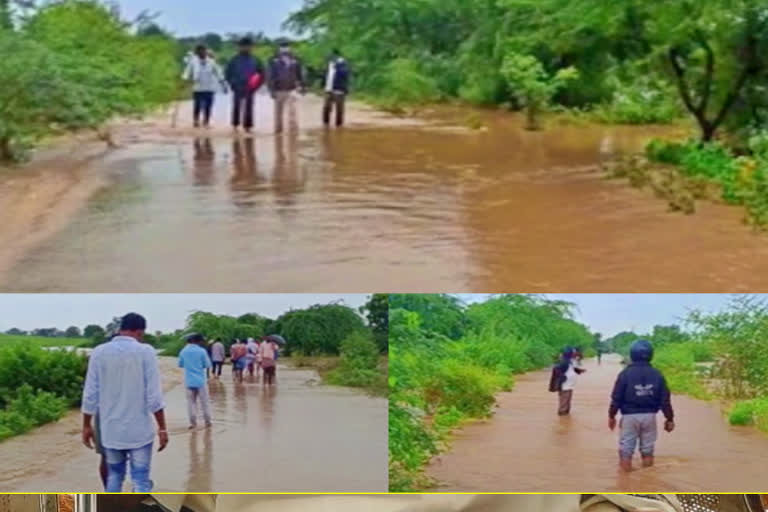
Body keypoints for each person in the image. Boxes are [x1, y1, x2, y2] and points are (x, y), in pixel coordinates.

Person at [81, 313, 168, 492]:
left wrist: (86, 425)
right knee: (141, 478)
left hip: (110, 430)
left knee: (114, 475)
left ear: (121, 329)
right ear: (140, 332)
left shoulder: (99, 352)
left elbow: (90, 394)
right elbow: (154, 396)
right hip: (139, 430)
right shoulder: (146, 352)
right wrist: (162, 428)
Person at [609, 339, 675, 472]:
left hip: (629, 417)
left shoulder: (625, 374)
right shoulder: (657, 374)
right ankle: (647, 477)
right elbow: (665, 400)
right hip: (650, 416)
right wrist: (670, 419)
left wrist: (612, 415)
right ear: (651, 354)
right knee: (648, 449)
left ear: (632, 354)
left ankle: (625, 482)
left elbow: (616, 398)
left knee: (626, 449)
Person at [183, 44, 228, 128]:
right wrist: (184, 81)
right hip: (197, 88)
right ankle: (196, 121)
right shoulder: (193, 62)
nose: (201, 53)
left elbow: (219, 73)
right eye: (199, 51)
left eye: (203, 51)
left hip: (209, 88)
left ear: (205, 51)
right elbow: (187, 72)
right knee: (197, 106)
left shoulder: (211, 62)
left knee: (208, 106)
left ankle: (206, 122)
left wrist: (223, 85)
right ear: (197, 53)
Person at [225, 37, 265, 133]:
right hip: (237, 86)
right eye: (243, 46)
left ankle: (248, 126)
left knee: (249, 107)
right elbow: (227, 73)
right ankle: (235, 126)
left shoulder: (256, 60)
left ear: (251, 47)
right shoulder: (233, 60)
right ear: (239, 47)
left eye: (248, 46)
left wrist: (256, 86)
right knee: (236, 106)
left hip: (250, 87)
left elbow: (262, 74)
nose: (246, 48)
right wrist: (232, 84)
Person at [267, 42, 306, 134]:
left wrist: (303, 86)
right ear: (279, 49)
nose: (285, 50)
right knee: (278, 114)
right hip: (278, 90)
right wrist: (271, 90)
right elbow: (270, 76)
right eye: (283, 47)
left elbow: (300, 74)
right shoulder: (273, 61)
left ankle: (294, 133)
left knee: (293, 113)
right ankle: (278, 132)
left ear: (290, 49)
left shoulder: (295, 60)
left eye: (286, 47)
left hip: (291, 90)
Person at [178, 333, 213, 429]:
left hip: (189, 381)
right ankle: (208, 422)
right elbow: (207, 364)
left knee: (191, 403)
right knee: (204, 402)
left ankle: (193, 423)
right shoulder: (202, 351)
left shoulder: (183, 351)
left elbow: (180, 364)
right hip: (201, 381)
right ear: (198, 341)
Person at [549, 347, 586, 416]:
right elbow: (556, 369)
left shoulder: (570, 361)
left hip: (569, 385)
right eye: (573, 352)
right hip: (565, 386)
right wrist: (563, 377)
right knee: (564, 402)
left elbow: (572, 368)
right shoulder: (564, 361)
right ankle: (562, 416)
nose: (574, 354)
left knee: (567, 401)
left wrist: (579, 371)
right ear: (569, 353)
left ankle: (565, 417)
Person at [322, 49, 350, 127]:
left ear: (336, 55)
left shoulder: (343, 63)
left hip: (339, 90)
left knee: (339, 109)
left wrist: (337, 67)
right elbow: (327, 75)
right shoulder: (329, 64)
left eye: (331, 55)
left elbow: (346, 74)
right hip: (329, 89)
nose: (330, 57)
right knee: (326, 108)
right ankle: (325, 124)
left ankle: (339, 125)